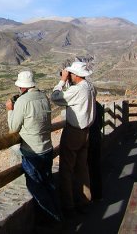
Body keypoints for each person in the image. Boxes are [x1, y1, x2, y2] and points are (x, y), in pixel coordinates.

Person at [6, 71, 63, 226]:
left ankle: (53, 220)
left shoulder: (23, 101)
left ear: (21, 87)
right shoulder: (43, 97)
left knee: (36, 187)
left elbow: (13, 128)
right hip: (47, 149)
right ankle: (57, 214)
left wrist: (10, 109)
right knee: (48, 183)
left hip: (33, 152)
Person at [51, 61, 96, 217]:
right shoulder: (90, 87)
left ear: (75, 75)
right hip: (86, 133)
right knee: (82, 168)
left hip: (74, 132)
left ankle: (68, 206)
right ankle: (85, 201)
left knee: (66, 169)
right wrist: (69, 82)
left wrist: (62, 81)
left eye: (70, 73)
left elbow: (55, 97)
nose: (68, 75)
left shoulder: (77, 90)